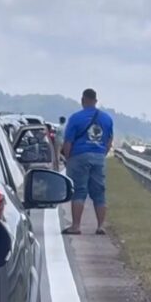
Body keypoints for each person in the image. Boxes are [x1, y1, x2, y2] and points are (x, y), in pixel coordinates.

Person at [61, 89, 114, 235]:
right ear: (96, 101)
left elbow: (68, 142)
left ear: (83, 100)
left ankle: (76, 226)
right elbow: (109, 140)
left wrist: (68, 159)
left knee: (79, 191)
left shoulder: (76, 118)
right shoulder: (107, 119)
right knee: (99, 192)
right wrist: (102, 154)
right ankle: (101, 226)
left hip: (79, 156)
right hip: (98, 156)